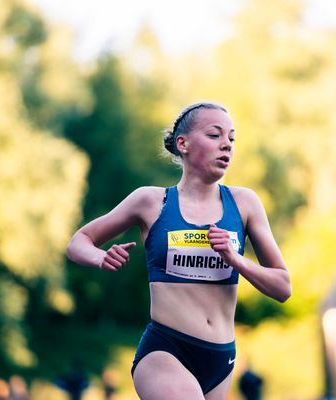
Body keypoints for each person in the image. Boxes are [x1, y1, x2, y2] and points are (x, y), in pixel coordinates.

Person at [67, 101, 292, 400]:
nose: (226, 145)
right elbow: (79, 241)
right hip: (166, 351)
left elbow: (283, 287)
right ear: (182, 143)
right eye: (215, 135)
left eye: (232, 138)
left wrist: (236, 259)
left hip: (221, 358)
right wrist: (101, 257)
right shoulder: (150, 201)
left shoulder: (245, 204)